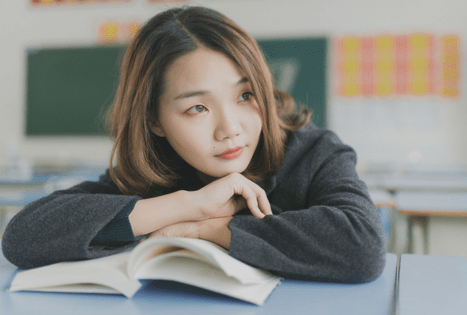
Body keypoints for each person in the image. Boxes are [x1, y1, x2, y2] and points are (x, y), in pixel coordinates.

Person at [2, 6, 386, 283]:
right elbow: (23, 236)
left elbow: (363, 245)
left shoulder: (312, 152)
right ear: (154, 119)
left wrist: (206, 230)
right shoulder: (157, 171)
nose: (230, 129)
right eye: (198, 107)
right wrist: (189, 204)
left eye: (245, 95)